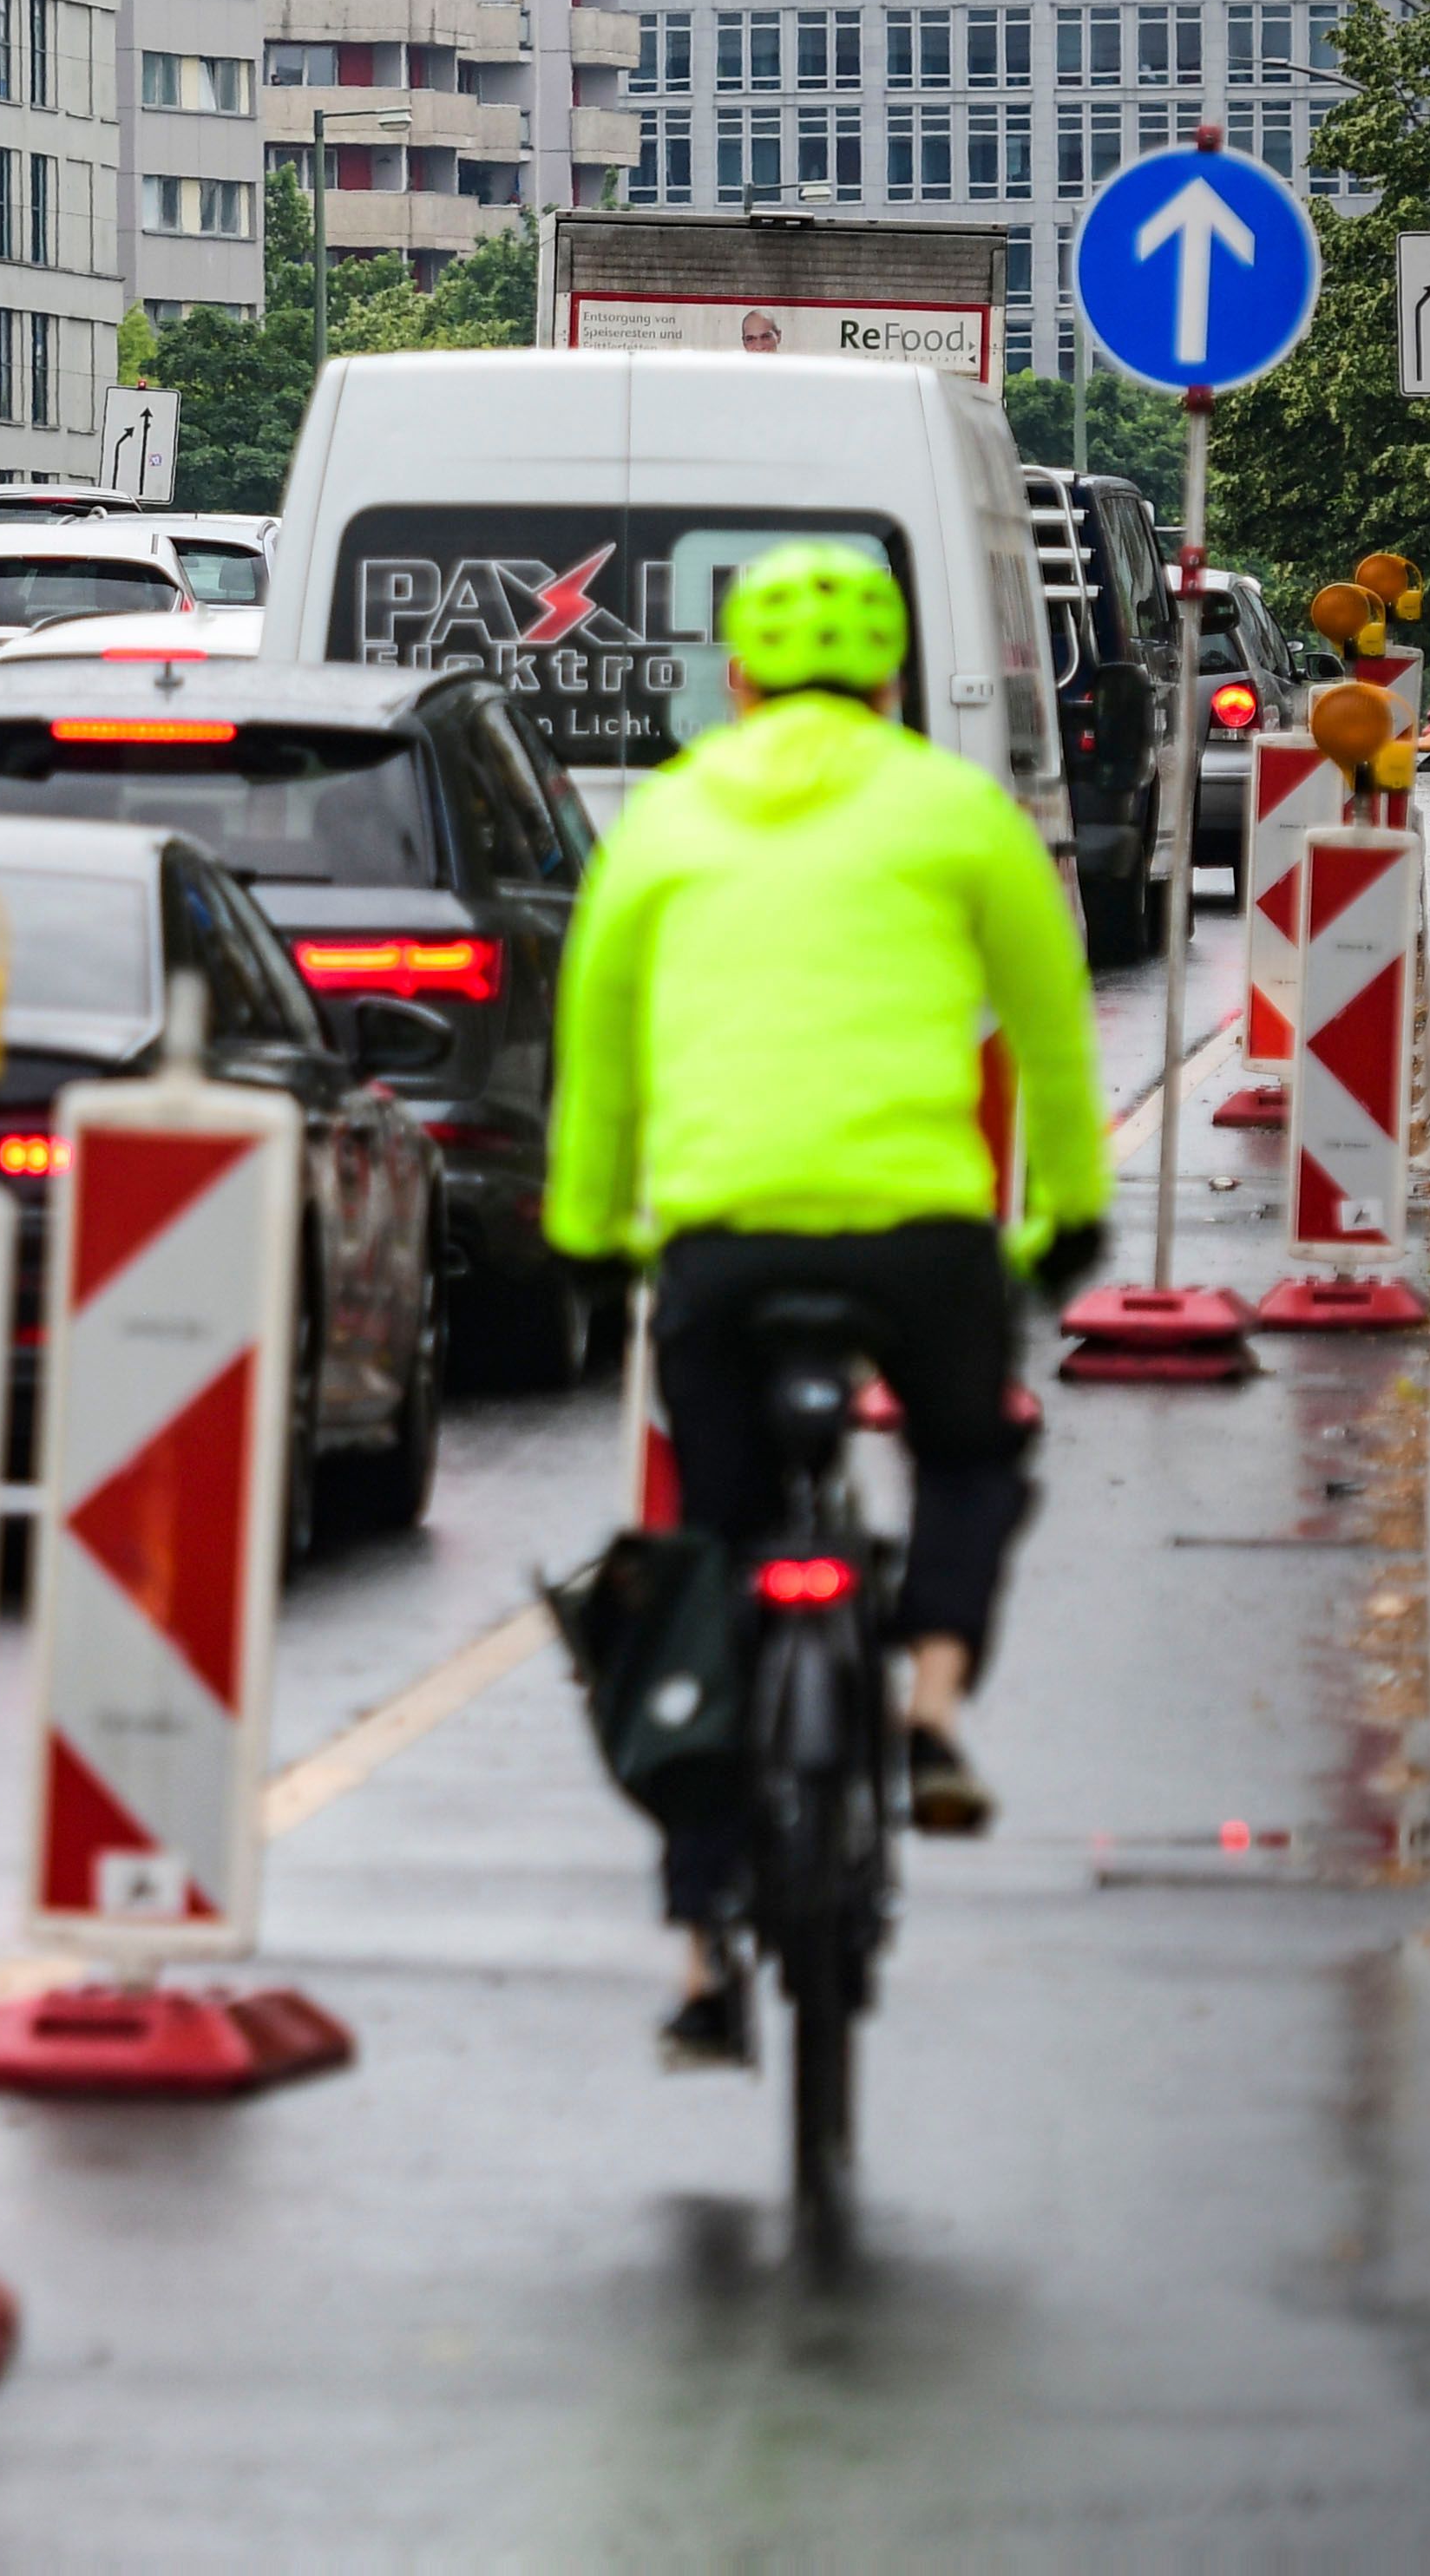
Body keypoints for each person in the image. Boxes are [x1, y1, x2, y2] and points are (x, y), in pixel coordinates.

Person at [544, 543, 1113, 2071]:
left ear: (732, 676)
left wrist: (592, 1239)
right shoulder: (957, 811)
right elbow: (1052, 1039)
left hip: (721, 1245)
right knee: (971, 1448)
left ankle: (703, 1942)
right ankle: (926, 1696)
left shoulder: (662, 822)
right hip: (918, 1235)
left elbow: (595, 1062)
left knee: (716, 1557)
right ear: (888, 680)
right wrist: (1062, 1223)